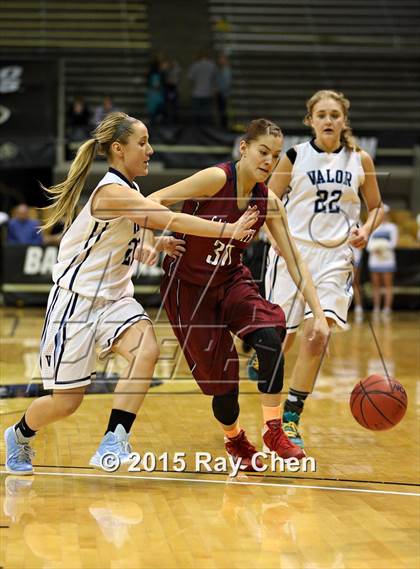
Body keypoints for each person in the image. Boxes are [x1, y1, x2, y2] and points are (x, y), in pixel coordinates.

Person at [3, 111, 258, 475]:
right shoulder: (110, 192)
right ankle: (20, 433)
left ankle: (114, 439)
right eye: (143, 143)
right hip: (75, 303)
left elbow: (139, 230)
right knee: (66, 401)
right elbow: (165, 216)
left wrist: (153, 245)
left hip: (116, 300)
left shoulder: (131, 191)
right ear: (119, 150)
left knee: (148, 350)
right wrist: (227, 231)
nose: (150, 150)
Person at [150, 118, 330, 471]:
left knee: (268, 338)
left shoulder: (268, 200)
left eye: (276, 156)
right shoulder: (217, 179)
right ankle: (234, 438)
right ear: (244, 148)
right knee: (224, 386)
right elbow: (154, 200)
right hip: (188, 289)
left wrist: (319, 316)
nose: (269, 161)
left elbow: (295, 260)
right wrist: (151, 237)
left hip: (231, 280)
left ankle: (274, 430)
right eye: (263, 151)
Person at [262, 90, 384, 449]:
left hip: (334, 258)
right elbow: (267, 200)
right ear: (310, 121)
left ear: (344, 120)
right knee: (279, 339)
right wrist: (272, 235)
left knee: (319, 334)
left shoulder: (361, 159)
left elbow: (376, 206)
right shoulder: (294, 156)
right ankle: (263, 379)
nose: (328, 120)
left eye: (335, 114)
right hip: (292, 253)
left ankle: (291, 416)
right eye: (322, 115)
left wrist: (366, 229)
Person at [367, 204, 398, 320]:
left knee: (388, 285)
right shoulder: (372, 227)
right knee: (376, 286)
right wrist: (375, 248)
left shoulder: (392, 227)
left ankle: (387, 308)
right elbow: (368, 244)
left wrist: (381, 248)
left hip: (387, 261)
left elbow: (393, 243)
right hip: (374, 261)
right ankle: (376, 307)